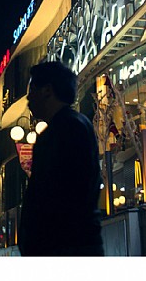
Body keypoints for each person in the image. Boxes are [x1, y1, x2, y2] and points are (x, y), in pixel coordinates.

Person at [17, 61, 104, 256]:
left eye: (32, 89)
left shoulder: (66, 129)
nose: (29, 97)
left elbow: (56, 193)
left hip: (64, 246)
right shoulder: (73, 125)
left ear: (47, 90)